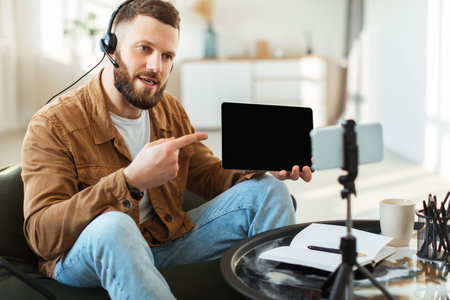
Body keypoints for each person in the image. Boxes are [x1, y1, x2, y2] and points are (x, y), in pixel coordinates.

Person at [21, 0, 312, 299]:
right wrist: (129, 181)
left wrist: (265, 165)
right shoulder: (53, 123)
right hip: (87, 256)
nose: (155, 66)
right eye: (144, 49)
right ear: (110, 48)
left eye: (167, 55)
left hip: (164, 241)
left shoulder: (168, 108)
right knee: (114, 225)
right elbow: (41, 236)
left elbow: (208, 174)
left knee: (269, 191)